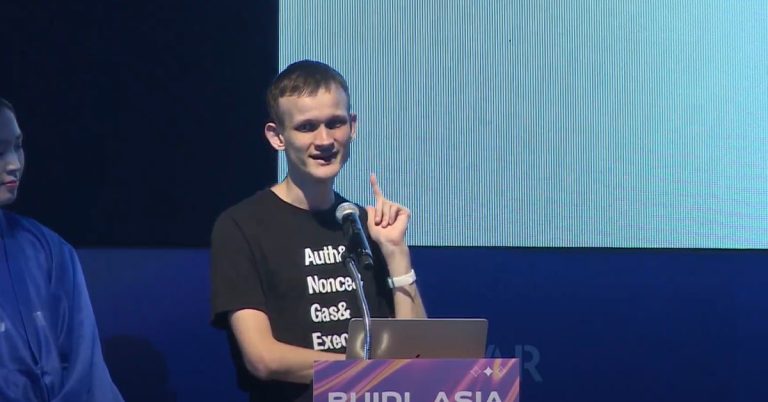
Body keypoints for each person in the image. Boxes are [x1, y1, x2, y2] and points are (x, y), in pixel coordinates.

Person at [210, 60, 427, 402]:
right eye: (307, 127)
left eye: (335, 123)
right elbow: (262, 358)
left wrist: (397, 253)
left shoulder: (364, 224)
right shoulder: (241, 225)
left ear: (352, 126)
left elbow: (418, 356)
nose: (324, 140)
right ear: (277, 137)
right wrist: (366, 371)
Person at [0, 97, 124, 402]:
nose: (14, 164)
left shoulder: (49, 252)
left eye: (18, 146)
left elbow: (87, 375)